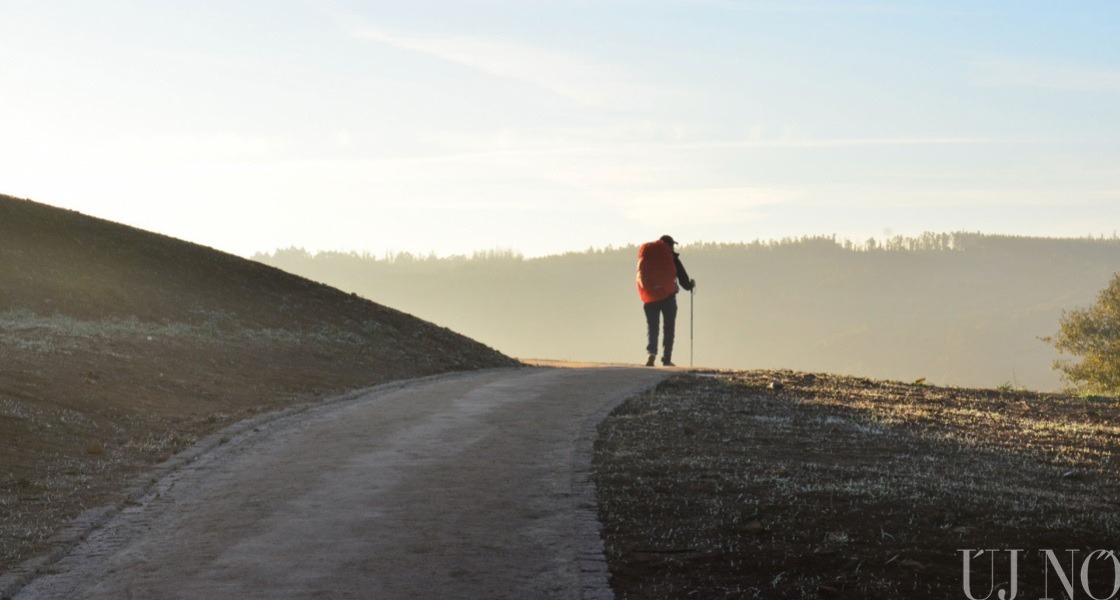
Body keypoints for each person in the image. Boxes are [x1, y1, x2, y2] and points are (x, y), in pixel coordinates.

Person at [636, 235, 695, 367]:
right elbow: (683, 279)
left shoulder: (648, 256)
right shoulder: (670, 257)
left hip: (650, 297)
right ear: (670, 245)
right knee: (669, 328)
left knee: (652, 327)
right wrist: (690, 285)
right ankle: (666, 359)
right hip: (668, 297)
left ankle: (651, 353)